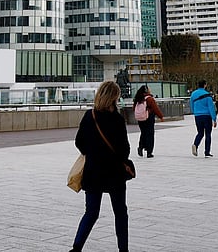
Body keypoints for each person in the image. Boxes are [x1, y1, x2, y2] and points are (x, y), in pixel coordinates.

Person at [70, 81, 131, 252]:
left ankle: (76, 247)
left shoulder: (89, 116)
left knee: (91, 212)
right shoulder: (117, 119)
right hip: (114, 172)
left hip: (93, 171)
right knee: (120, 212)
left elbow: (79, 142)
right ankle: (123, 249)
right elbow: (124, 149)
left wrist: (93, 153)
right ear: (114, 97)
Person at [132, 85, 164, 158]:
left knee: (143, 133)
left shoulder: (138, 99)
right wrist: (161, 116)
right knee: (150, 134)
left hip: (140, 119)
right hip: (149, 118)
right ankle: (149, 152)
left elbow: (134, 108)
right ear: (146, 90)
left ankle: (141, 147)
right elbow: (155, 108)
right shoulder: (150, 99)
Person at [190, 80, 216, 157]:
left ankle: (195, 144)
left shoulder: (193, 94)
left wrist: (195, 112)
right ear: (205, 85)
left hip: (197, 116)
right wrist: (214, 118)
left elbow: (191, 105)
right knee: (208, 134)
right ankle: (207, 152)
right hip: (206, 116)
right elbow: (211, 107)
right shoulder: (207, 95)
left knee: (200, 133)